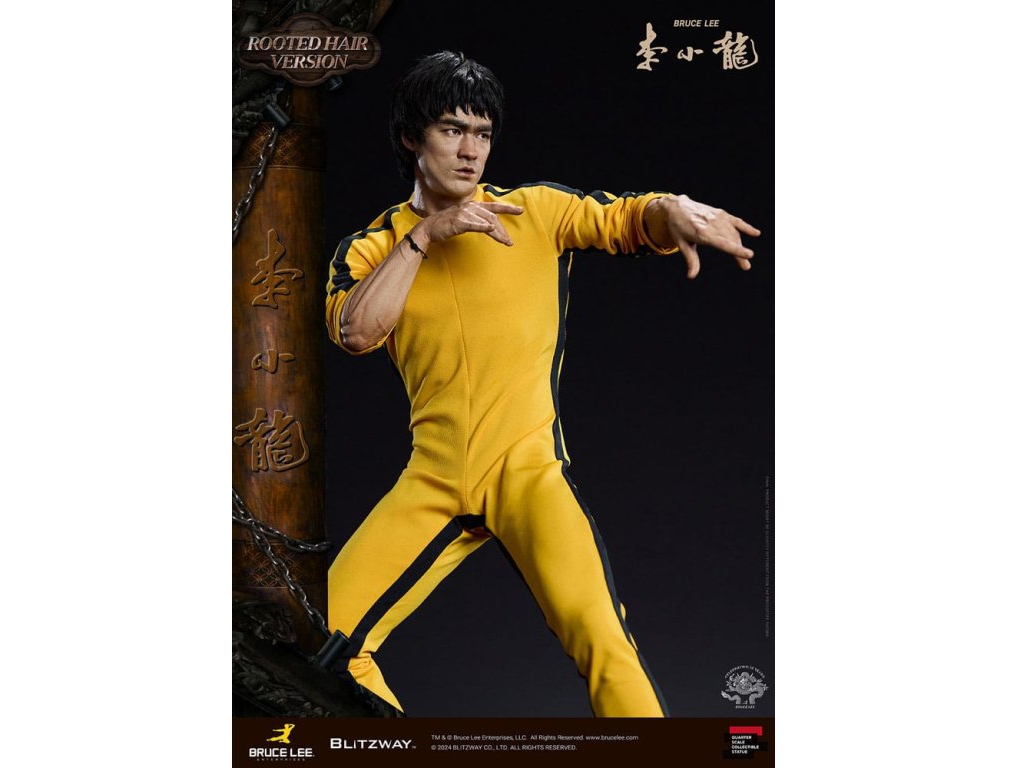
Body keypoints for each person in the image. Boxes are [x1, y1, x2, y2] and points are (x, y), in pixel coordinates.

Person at [324, 51, 759, 718]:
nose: (470, 151)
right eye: (451, 130)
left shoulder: (533, 212)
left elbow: (622, 218)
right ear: (412, 137)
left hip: (528, 472)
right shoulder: (371, 247)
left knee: (603, 641)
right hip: (432, 479)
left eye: (483, 133)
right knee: (323, 639)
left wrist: (671, 210)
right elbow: (357, 332)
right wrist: (427, 235)